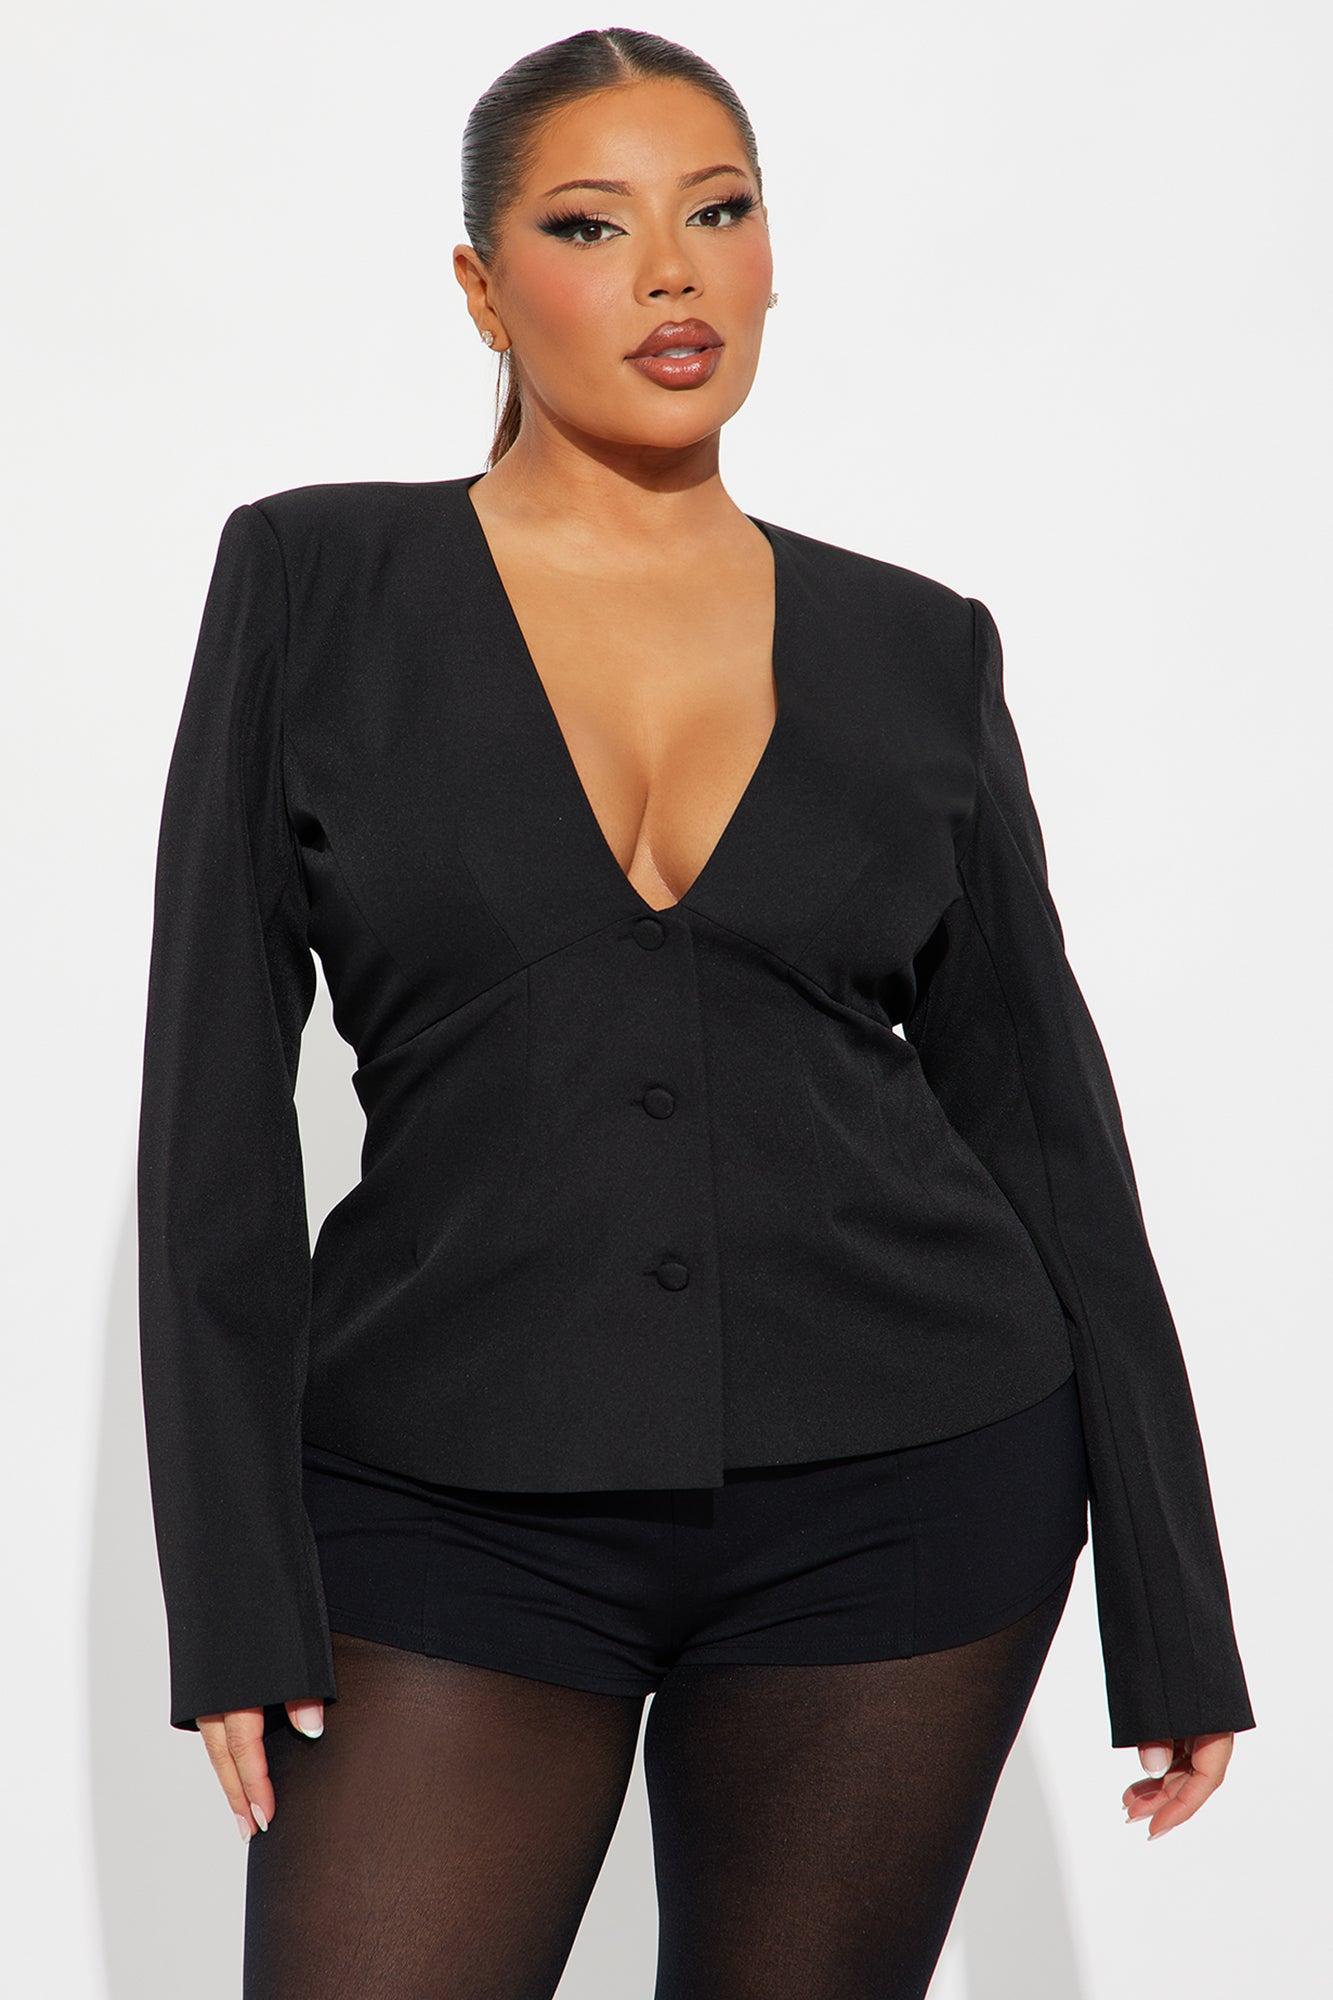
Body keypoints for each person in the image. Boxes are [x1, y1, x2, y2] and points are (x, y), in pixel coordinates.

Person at [136, 27, 1256, 1999]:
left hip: (907, 1487)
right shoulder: (319, 581)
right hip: (441, 1493)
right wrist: (233, 1591)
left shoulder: (915, 647)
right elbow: (208, 1116)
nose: (673, 273)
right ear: (482, 286)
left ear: (768, 255)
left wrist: (1170, 1609)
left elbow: (1041, 1125)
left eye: (718, 212)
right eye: (593, 226)